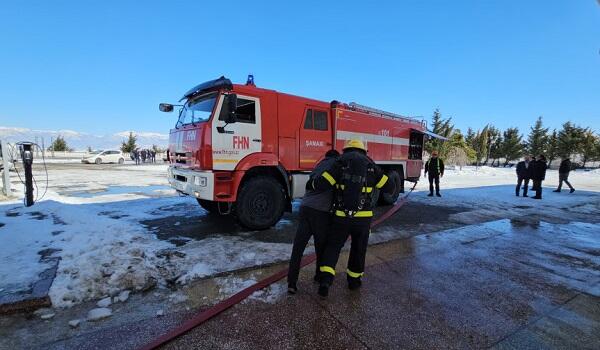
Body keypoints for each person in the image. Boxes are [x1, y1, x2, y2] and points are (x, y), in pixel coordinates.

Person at [310, 139, 394, 297]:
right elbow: (389, 187)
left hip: (341, 217)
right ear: (363, 151)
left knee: (333, 247)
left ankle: (326, 281)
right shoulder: (370, 165)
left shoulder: (340, 163)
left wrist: (312, 184)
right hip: (363, 220)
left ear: (346, 149)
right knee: (358, 249)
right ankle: (354, 282)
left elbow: (322, 184)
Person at [287, 149, 340, 294]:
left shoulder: (319, 165)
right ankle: (319, 276)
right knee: (321, 247)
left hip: (305, 207)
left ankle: (291, 283)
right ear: (336, 157)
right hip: (320, 212)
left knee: (298, 248)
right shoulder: (336, 166)